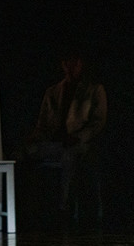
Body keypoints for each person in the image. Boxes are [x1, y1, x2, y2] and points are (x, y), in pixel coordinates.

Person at [24, 50, 106, 220]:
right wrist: (33, 138)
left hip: (80, 144)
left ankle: (64, 206)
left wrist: (78, 137)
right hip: (55, 144)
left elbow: (98, 122)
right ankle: (26, 209)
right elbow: (43, 124)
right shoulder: (53, 92)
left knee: (69, 156)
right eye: (67, 62)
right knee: (25, 153)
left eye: (75, 62)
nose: (71, 66)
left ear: (81, 64)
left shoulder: (94, 90)